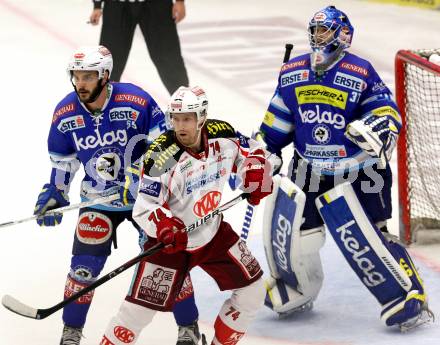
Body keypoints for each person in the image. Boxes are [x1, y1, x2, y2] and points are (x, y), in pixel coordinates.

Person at [259, 6, 434, 330]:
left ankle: (409, 294)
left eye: (324, 30)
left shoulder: (360, 71)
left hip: (360, 169)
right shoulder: (293, 71)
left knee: (371, 235)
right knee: (296, 233)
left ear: (343, 34)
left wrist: (374, 128)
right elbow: (278, 119)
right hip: (309, 167)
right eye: (314, 30)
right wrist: (263, 152)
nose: (317, 36)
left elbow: (388, 111)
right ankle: (297, 286)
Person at [33, 46, 199, 345]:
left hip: (145, 201)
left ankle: (188, 326)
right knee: (83, 267)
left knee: (166, 261)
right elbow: (63, 161)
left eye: (88, 76)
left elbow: (168, 145)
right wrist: (56, 190)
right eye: (77, 76)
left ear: (105, 75)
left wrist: (138, 177)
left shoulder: (135, 101)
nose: (80, 83)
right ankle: (70, 334)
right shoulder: (65, 112)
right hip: (99, 201)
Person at [99, 86, 271, 345]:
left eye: (187, 119)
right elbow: (144, 206)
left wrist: (255, 173)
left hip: (213, 234)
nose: (180, 126)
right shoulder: (162, 155)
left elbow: (254, 152)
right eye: (176, 119)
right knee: (135, 315)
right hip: (170, 245)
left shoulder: (222, 134)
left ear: (202, 117)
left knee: (253, 291)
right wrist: (165, 226)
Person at [89, 0, 189, 94]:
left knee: (168, 56)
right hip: (117, 5)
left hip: (157, 5)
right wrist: (97, 5)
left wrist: (180, 1)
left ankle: (186, 104)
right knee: (109, 59)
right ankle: (102, 105)